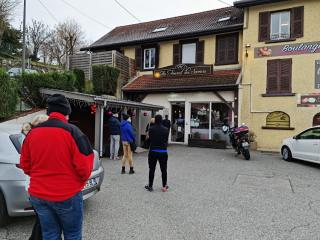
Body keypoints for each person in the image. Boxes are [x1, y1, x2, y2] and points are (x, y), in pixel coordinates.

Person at [20, 94, 94, 240]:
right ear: (66, 113)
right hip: (67, 194)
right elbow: (85, 169)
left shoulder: (32, 134)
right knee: (72, 234)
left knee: (49, 234)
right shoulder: (74, 132)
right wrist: (77, 182)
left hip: (39, 195)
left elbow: (25, 165)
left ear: (49, 113)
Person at [21, 114, 49, 240]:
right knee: (43, 222)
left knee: (42, 220)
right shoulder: (34, 140)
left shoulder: (30, 138)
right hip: (37, 187)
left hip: (34, 187)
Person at [145, 115, 169, 192]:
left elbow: (149, 139)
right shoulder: (166, 129)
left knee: (152, 169)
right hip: (163, 152)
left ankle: (150, 186)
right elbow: (166, 140)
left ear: (155, 120)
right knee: (164, 169)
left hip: (153, 151)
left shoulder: (151, 129)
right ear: (161, 120)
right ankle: (164, 186)